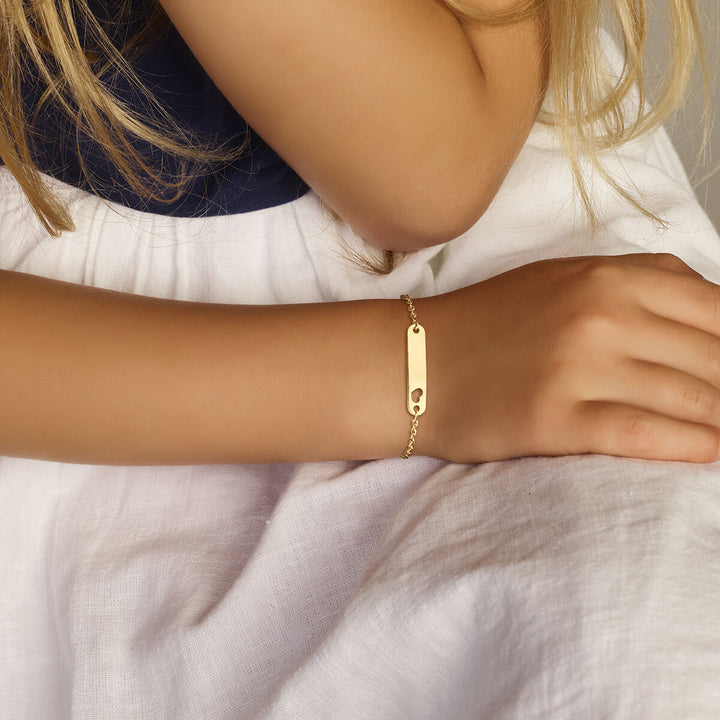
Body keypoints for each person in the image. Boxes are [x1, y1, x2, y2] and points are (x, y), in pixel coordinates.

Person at [0, 0, 716, 467]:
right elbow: (430, 177)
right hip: (77, 407)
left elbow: (431, 167)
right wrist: (421, 374)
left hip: (514, 240)